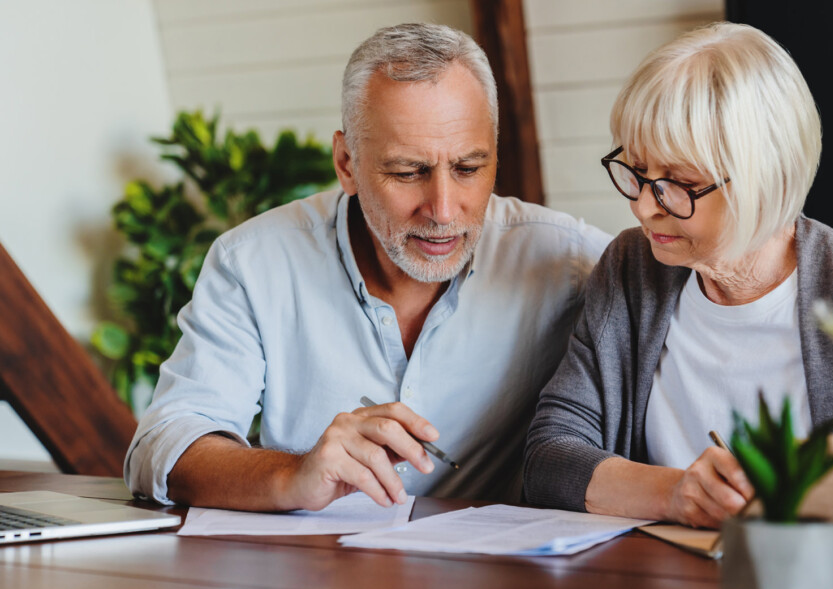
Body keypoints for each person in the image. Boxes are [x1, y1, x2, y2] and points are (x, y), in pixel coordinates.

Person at [522, 22, 833, 550]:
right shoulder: (630, 269)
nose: (643, 205)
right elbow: (549, 456)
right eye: (637, 172)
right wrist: (675, 492)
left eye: (679, 184)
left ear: (764, 176)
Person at [124, 23, 611, 512]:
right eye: (407, 172)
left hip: (497, 580)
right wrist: (293, 475)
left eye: (468, 168)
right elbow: (163, 446)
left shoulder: (568, 261)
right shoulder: (253, 263)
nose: (443, 210)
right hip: (320, 577)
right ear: (346, 163)